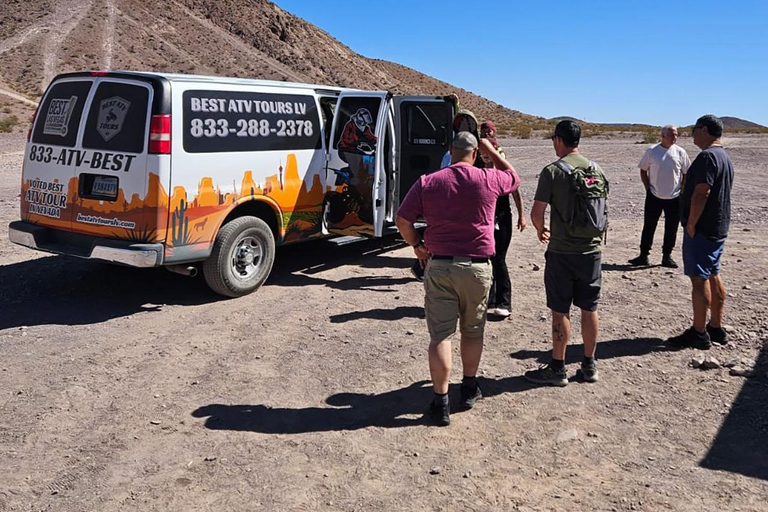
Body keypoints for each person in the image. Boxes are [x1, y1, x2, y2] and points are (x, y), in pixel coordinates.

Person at [396, 131, 520, 426]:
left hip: (439, 267)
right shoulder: (489, 179)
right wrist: (491, 148)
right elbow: (513, 177)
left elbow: (403, 220)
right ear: (475, 154)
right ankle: (468, 387)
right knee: (473, 331)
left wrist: (417, 245)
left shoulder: (429, 182)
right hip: (477, 269)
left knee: (441, 335)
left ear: (450, 151)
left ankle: (440, 403)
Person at [526, 120, 607, 386]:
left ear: (559, 140)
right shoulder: (597, 169)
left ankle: (558, 368)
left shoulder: (553, 172)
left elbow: (537, 213)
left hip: (562, 251)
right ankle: (589, 364)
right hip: (592, 251)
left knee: (560, 310)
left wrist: (541, 229)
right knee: (589, 307)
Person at [668, 115, 733, 349]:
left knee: (699, 278)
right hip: (718, 225)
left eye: (695, 129)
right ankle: (716, 327)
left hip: (703, 227)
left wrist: (692, 222)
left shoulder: (707, 157)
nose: (692, 133)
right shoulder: (723, 156)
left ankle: (699, 331)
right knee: (713, 273)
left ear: (704, 130)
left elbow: (701, 192)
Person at [410, 106, 482, 282]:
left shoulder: (478, 153)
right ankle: (423, 266)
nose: (464, 126)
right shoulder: (450, 154)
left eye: (468, 124)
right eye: (461, 124)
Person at [479, 121, 526, 318]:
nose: (485, 157)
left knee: (498, 259)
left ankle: (504, 301)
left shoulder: (503, 173)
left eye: (488, 154)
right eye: (482, 155)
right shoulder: (478, 172)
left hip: (502, 217)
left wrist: (522, 215)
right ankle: (488, 299)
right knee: (486, 258)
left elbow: (516, 191)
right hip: (485, 218)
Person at [628, 125, 691, 268]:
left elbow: (687, 173)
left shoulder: (680, 152)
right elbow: (643, 170)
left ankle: (666, 256)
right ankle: (643, 255)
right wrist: (647, 188)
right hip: (654, 196)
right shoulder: (652, 151)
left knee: (671, 227)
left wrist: (682, 189)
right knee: (649, 226)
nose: (675, 138)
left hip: (674, 197)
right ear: (663, 136)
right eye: (672, 135)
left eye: (676, 135)